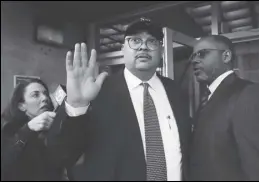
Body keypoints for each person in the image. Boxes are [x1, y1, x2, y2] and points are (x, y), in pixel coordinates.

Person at [46, 18, 192, 181]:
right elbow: (61, 156)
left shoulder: (176, 92)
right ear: (123, 49)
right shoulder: (98, 92)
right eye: (135, 41)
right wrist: (77, 106)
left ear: (161, 50)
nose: (143, 46)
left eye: (152, 41)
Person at [189, 35, 259, 181]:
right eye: (193, 56)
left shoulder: (251, 95)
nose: (194, 60)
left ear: (226, 56)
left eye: (202, 53)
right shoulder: (208, 98)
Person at [1, 78, 65, 181]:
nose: (44, 98)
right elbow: (6, 161)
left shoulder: (54, 126)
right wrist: (28, 128)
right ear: (22, 106)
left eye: (46, 94)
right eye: (35, 95)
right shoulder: (8, 129)